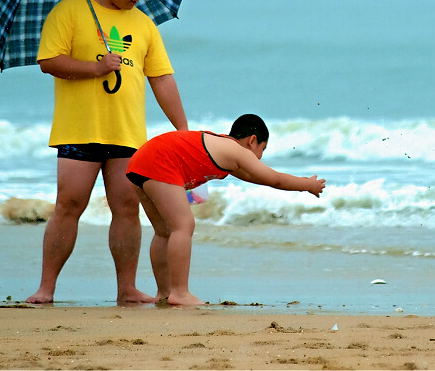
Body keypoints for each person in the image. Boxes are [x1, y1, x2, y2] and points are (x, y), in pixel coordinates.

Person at [25, 0, 190, 305]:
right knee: (69, 205)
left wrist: (182, 131)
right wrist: (95, 68)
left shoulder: (144, 24)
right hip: (79, 129)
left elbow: (161, 79)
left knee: (127, 209)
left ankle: (127, 289)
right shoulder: (68, 11)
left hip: (127, 134)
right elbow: (49, 61)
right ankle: (46, 288)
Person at [125, 113, 326, 306]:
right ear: (252, 140)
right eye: (262, 150)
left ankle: (165, 292)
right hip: (159, 162)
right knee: (183, 225)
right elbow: (275, 179)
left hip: (139, 163)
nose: (260, 158)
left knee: (164, 232)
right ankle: (179, 292)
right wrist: (307, 185)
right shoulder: (235, 150)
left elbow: (258, 178)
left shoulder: (225, 151)